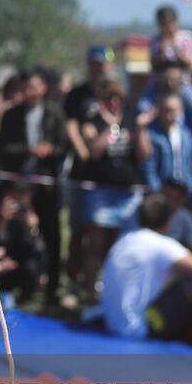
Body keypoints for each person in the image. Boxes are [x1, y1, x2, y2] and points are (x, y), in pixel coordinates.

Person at [101, 193, 192, 341]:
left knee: (186, 276)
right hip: (140, 328)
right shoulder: (159, 244)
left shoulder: (125, 240)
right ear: (168, 222)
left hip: (113, 324)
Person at [0, 68, 65, 305]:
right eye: (26, 87)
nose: (30, 91)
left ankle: (52, 286)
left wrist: (50, 150)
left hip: (45, 186)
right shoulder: (12, 115)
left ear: (43, 88)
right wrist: (28, 151)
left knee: (51, 234)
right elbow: (3, 148)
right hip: (17, 184)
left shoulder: (54, 113)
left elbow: (63, 146)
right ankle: (16, 283)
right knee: (14, 233)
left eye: (34, 86)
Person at [77, 74, 153, 302]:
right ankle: (91, 292)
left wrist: (140, 130)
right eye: (109, 97)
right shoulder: (93, 119)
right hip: (101, 193)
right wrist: (111, 127)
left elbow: (144, 154)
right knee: (96, 245)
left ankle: (117, 291)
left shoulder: (132, 119)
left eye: (118, 97)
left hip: (127, 193)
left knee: (122, 246)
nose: (114, 102)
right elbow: (94, 151)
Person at [63, 45, 114, 300]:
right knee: (78, 230)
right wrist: (83, 151)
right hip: (82, 173)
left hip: (108, 176)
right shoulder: (78, 94)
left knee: (102, 235)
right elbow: (72, 126)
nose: (99, 68)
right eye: (94, 63)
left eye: (103, 63)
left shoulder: (114, 93)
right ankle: (73, 280)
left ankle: (97, 282)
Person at [143, 92, 192, 193]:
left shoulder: (186, 135)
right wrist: (157, 191)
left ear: (180, 111)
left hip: (184, 192)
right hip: (162, 191)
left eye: (172, 111)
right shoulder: (153, 135)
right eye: (165, 111)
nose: (168, 116)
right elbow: (149, 167)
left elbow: (190, 164)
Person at [161, 178, 192, 252]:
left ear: (183, 199)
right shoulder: (156, 214)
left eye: (176, 197)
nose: (171, 201)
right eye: (168, 196)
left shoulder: (186, 217)